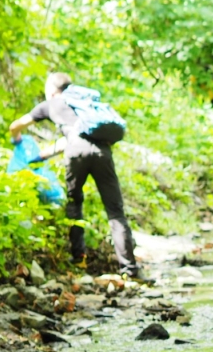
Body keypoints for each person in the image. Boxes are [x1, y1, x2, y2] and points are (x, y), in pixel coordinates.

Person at [9, 72, 145, 279]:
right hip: (102, 152)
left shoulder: (51, 104)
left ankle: (79, 258)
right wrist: (43, 155)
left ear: (53, 90)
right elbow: (82, 135)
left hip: (75, 153)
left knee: (74, 203)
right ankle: (129, 269)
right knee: (115, 212)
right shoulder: (83, 103)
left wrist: (16, 140)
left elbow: (15, 125)